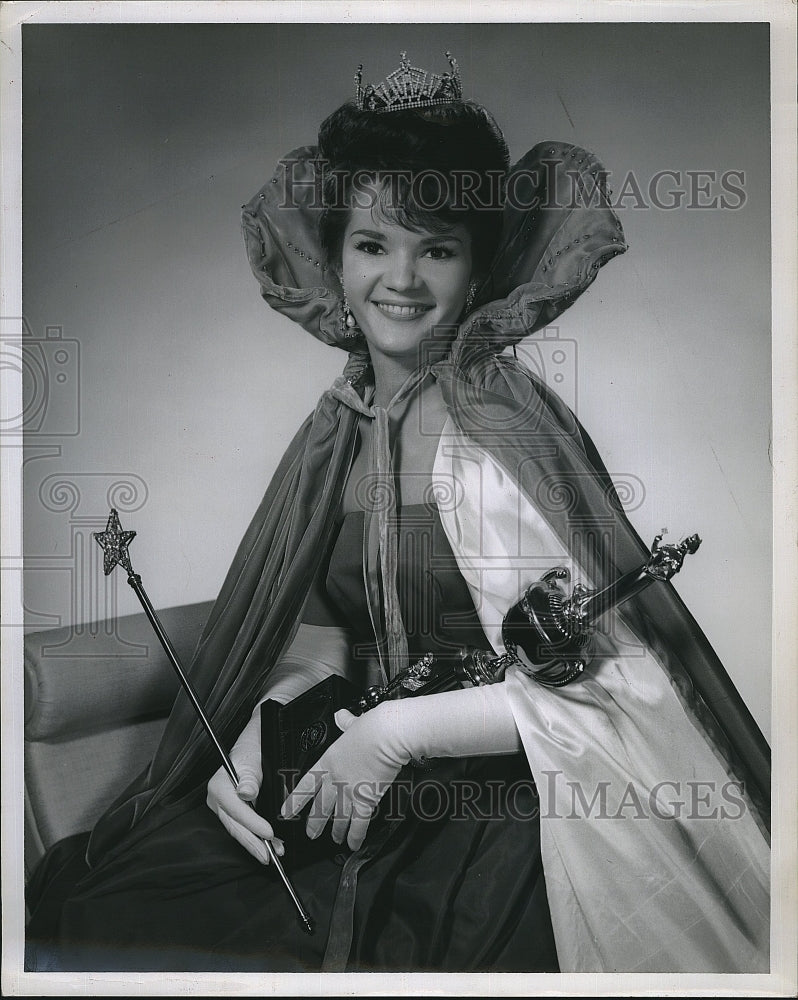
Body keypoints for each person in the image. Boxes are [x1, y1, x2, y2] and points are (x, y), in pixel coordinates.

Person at [25, 52, 770, 975]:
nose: (403, 280)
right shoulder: (336, 433)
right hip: (354, 761)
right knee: (106, 896)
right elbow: (327, 632)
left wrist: (398, 738)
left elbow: (613, 688)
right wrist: (261, 734)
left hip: (506, 806)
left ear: (478, 265)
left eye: (439, 247)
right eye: (374, 245)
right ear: (334, 261)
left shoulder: (495, 430)